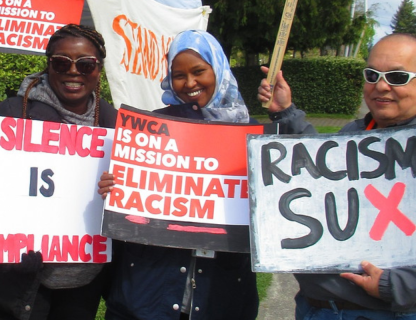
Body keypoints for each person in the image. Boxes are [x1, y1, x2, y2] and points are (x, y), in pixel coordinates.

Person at [98, 29, 315, 320]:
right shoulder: (150, 129)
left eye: (199, 71)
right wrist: (114, 186)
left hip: (221, 299)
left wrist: (286, 113)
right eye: (179, 74)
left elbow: (312, 175)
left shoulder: (251, 135)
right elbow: (125, 204)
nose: (189, 83)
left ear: (219, 68)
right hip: (147, 299)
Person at [0, 24, 117, 320]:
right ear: (48, 65)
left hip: (84, 282)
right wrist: (3, 241)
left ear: (98, 69)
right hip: (19, 279)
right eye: (61, 62)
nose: (73, 72)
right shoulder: (12, 113)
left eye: (85, 64)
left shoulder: (114, 124)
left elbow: (131, 198)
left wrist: (118, 191)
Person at [257, 32, 416, 320]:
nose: (381, 85)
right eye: (372, 74)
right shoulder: (354, 135)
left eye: (397, 77)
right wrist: (286, 112)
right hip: (313, 308)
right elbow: (317, 169)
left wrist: (395, 286)